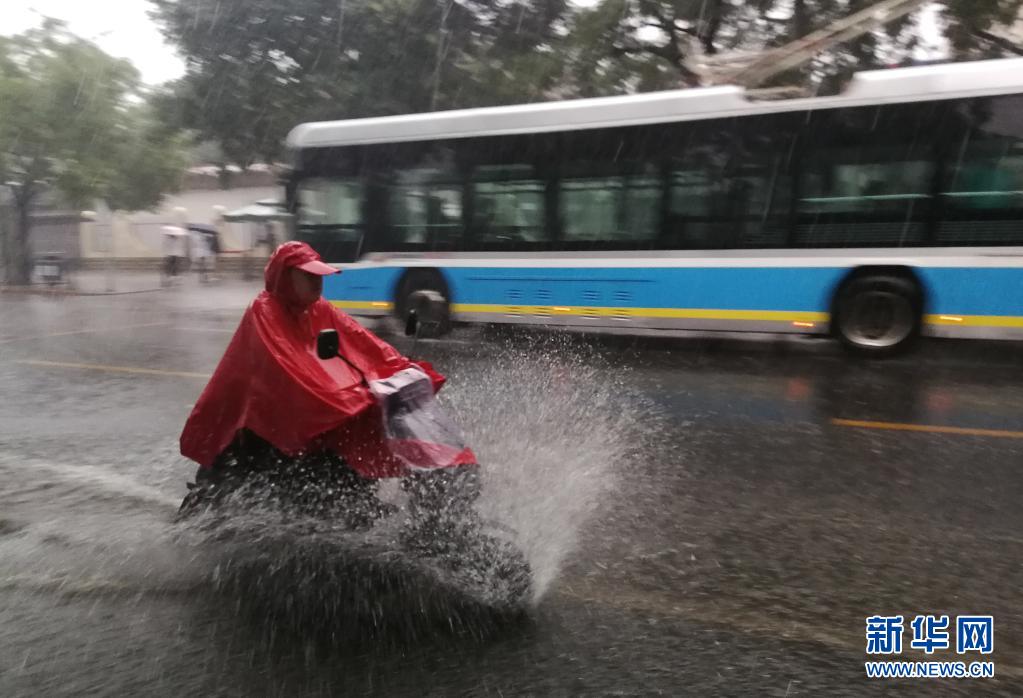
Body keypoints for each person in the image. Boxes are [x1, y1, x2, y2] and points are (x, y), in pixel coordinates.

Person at [178, 241, 470, 526]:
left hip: (305, 414)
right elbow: (290, 366)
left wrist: (401, 368)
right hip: (261, 422)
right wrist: (346, 397)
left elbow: (361, 342)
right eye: (308, 275)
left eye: (319, 275)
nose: (317, 282)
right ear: (285, 276)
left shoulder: (318, 308)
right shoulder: (265, 310)